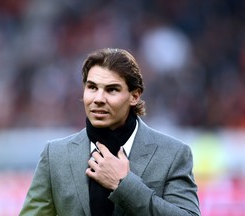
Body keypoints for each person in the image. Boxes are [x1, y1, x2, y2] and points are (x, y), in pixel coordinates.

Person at [19, 48, 200, 216]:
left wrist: (124, 185)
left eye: (111, 89)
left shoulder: (173, 154)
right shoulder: (55, 155)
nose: (98, 99)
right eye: (92, 87)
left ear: (134, 96)